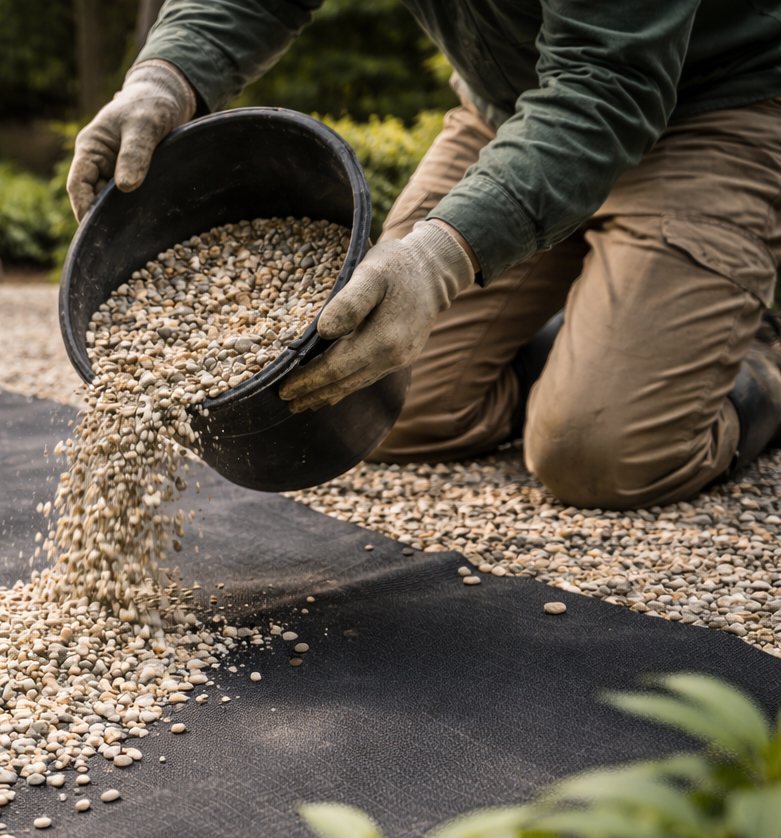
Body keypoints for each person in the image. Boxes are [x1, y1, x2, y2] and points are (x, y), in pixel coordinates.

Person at [67, 0, 781, 511]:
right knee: (364, 401)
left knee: (598, 458)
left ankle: (753, 363)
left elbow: (608, 86)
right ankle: (590, 341)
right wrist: (165, 76)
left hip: (708, 113)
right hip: (512, 112)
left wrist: (439, 260)